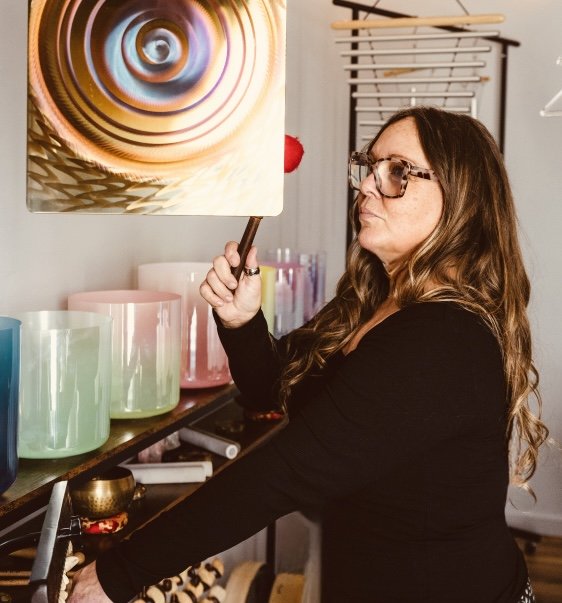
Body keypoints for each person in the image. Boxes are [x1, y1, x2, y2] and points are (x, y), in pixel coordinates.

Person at [68, 106, 548, 603]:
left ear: (461, 196)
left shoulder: (443, 338)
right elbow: (277, 393)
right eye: (369, 167)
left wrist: (121, 572)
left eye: (397, 172)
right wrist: (242, 322)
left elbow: (284, 473)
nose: (367, 186)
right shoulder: (374, 302)